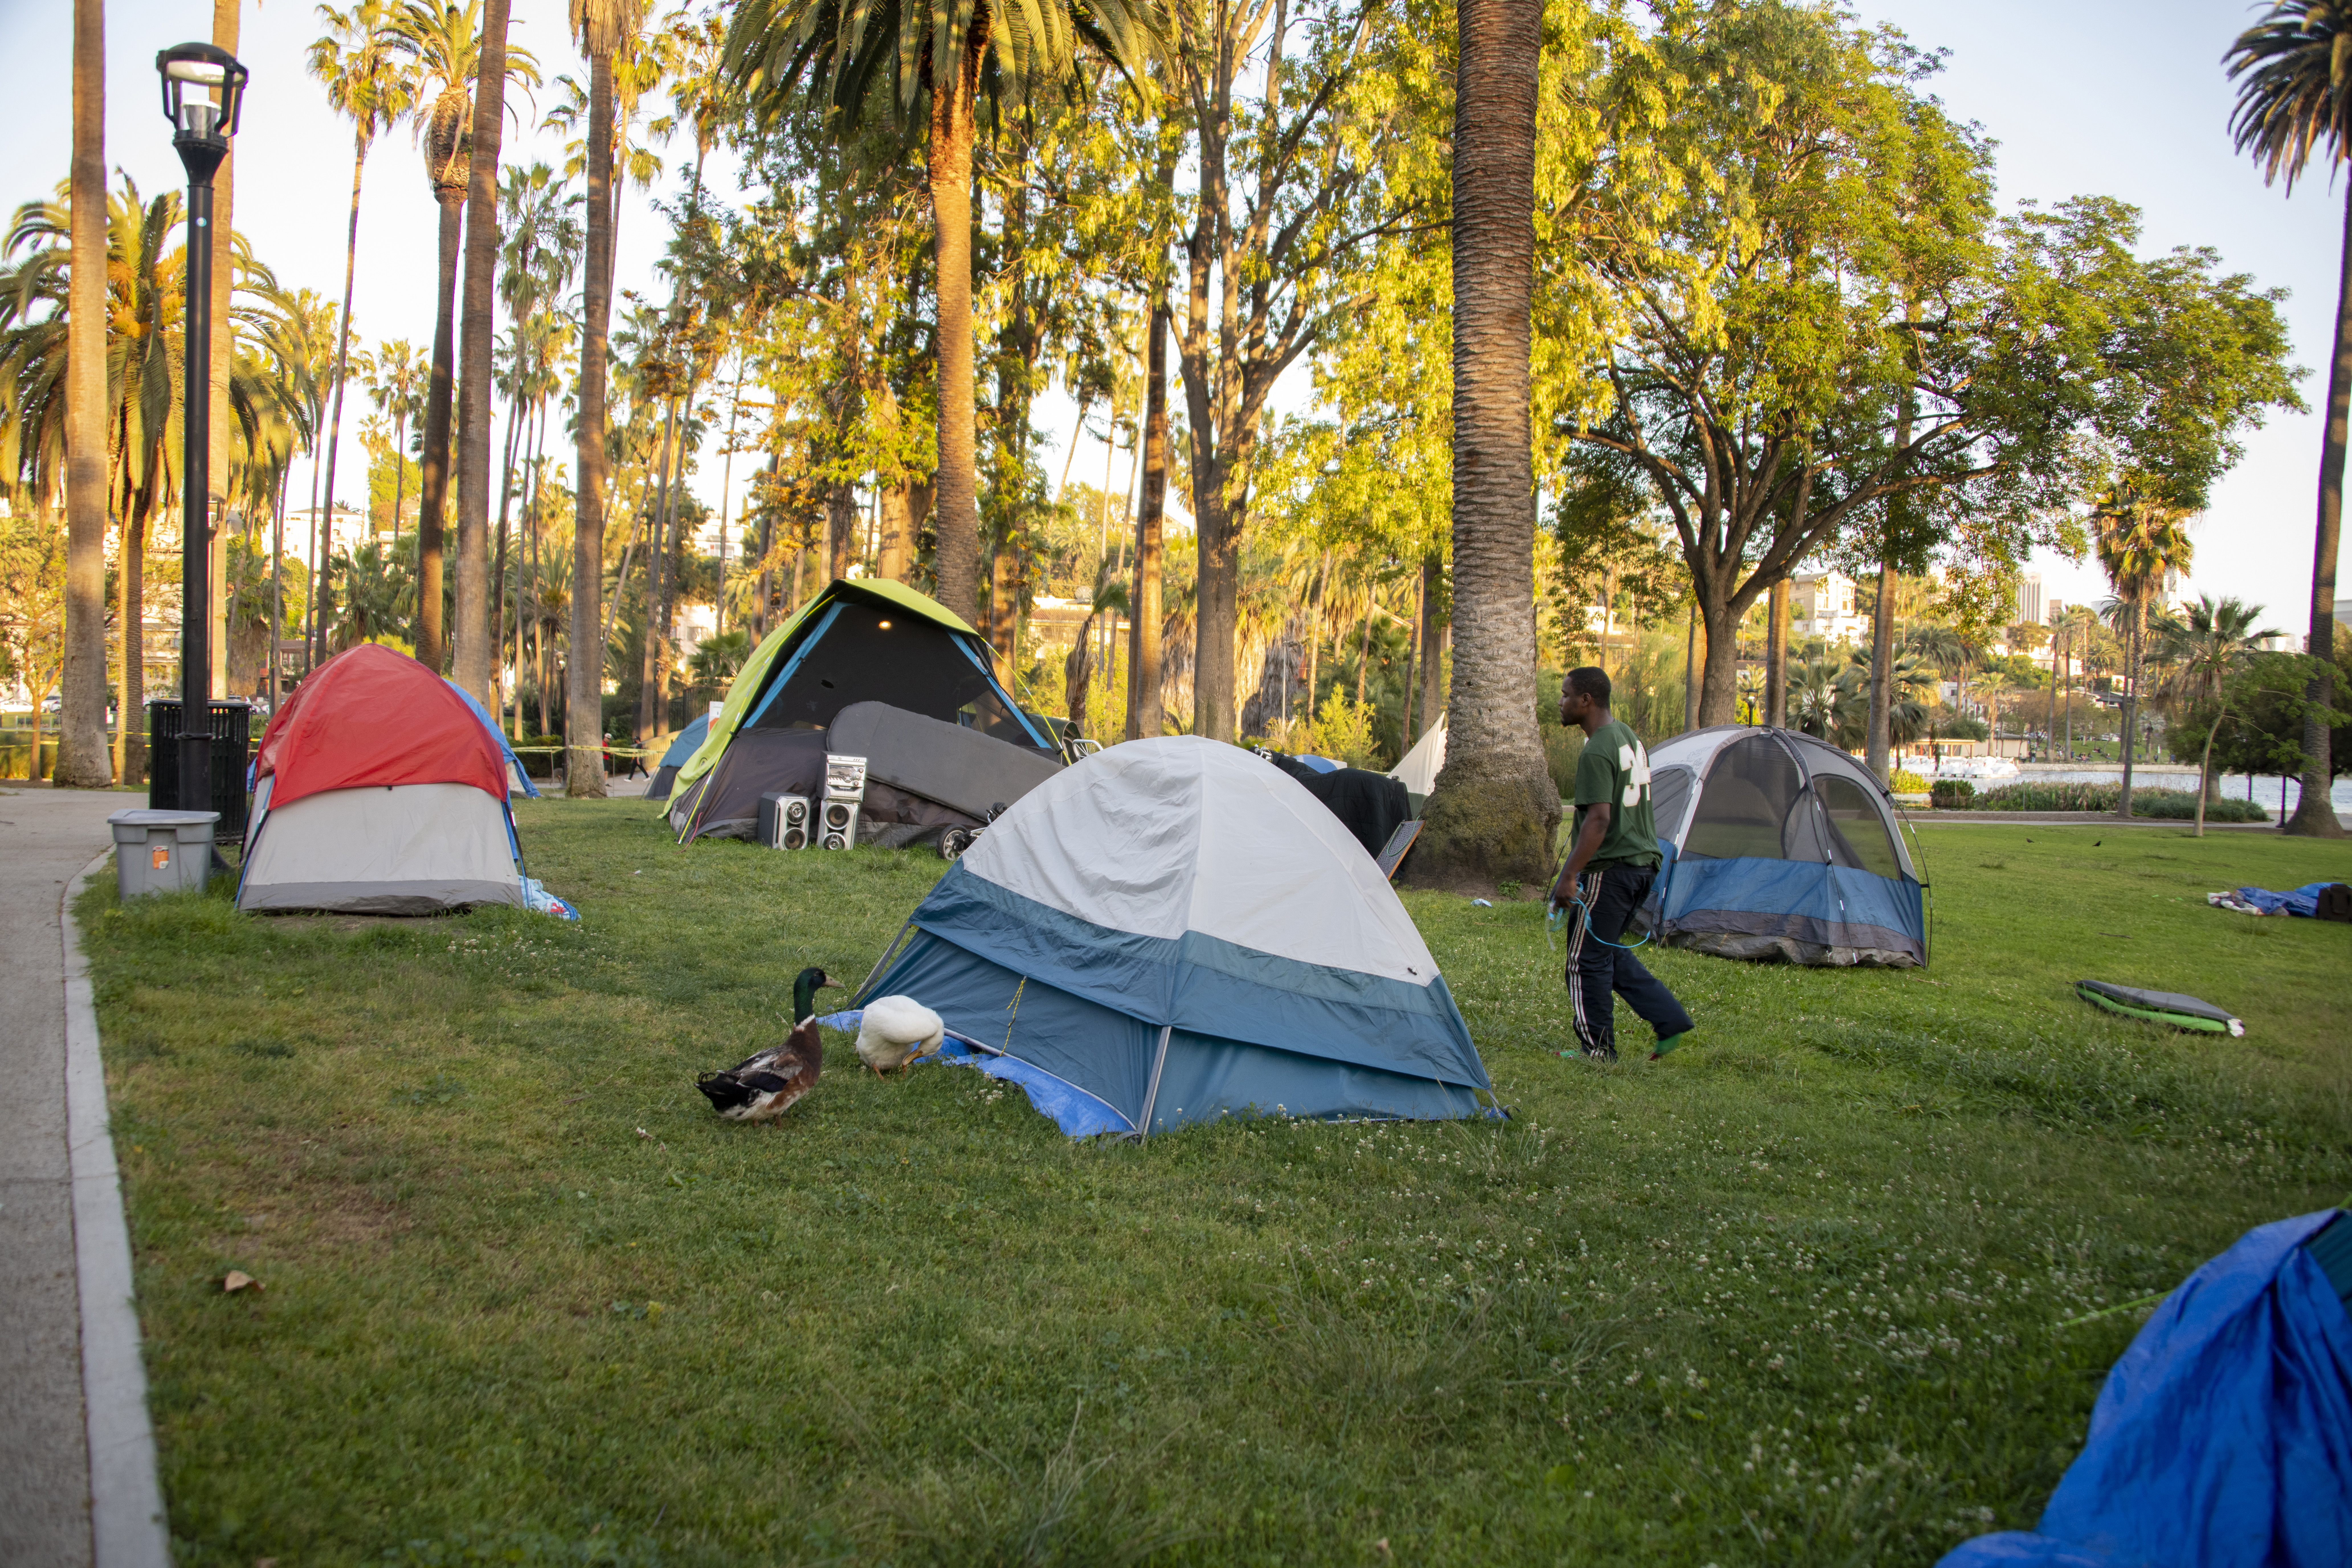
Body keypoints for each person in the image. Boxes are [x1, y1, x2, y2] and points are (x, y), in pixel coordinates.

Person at [1549, 666, 1693, 1063]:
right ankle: (1669, 1018)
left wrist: (1570, 874)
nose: (1559, 702)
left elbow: (1599, 820)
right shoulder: (1628, 737)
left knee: (1584, 960)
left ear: (1586, 701)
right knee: (1606, 951)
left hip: (1611, 868)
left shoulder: (1597, 749)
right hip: (1643, 864)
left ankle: (1598, 1051)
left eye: (1565, 695)